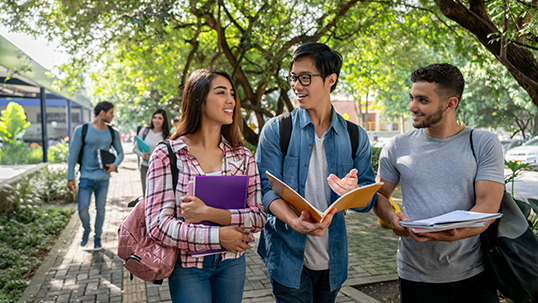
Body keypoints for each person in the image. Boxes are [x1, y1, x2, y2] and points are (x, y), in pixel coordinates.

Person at [255, 42, 377, 303]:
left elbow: (368, 201)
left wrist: (354, 193)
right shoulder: (277, 130)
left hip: (333, 260)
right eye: (294, 78)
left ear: (330, 80)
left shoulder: (356, 136)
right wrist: (292, 219)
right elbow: (264, 191)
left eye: (305, 78)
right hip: (286, 256)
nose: (297, 85)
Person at [373, 63, 504, 303]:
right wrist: (392, 217)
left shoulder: (484, 143)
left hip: (475, 275)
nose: (412, 106)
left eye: (422, 100)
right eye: (412, 97)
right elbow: (380, 195)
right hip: (417, 276)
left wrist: (456, 232)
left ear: (450, 104)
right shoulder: (396, 146)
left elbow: (488, 202)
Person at [145, 69, 267, 303]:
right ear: (198, 100)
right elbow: (158, 226)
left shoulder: (242, 156)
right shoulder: (167, 155)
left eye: (232, 93)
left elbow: (259, 216)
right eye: (221, 93)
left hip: (232, 263)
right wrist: (218, 235)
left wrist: (209, 214)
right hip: (188, 266)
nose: (231, 100)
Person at [67, 101, 124, 251]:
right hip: (85, 176)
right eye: (111, 112)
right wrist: (70, 177)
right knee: (82, 208)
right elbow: (72, 155)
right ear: (102, 113)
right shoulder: (82, 130)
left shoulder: (113, 132)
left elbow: (121, 153)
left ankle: (98, 237)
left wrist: (114, 165)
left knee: (101, 208)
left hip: (103, 178)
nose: (113, 115)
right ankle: (87, 229)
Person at [133, 108, 170, 196]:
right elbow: (135, 149)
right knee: (146, 194)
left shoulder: (167, 136)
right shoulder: (144, 131)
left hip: (160, 169)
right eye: (155, 117)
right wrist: (143, 155)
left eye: (160, 118)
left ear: (164, 120)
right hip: (145, 167)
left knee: (158, 195)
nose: (156, 120)